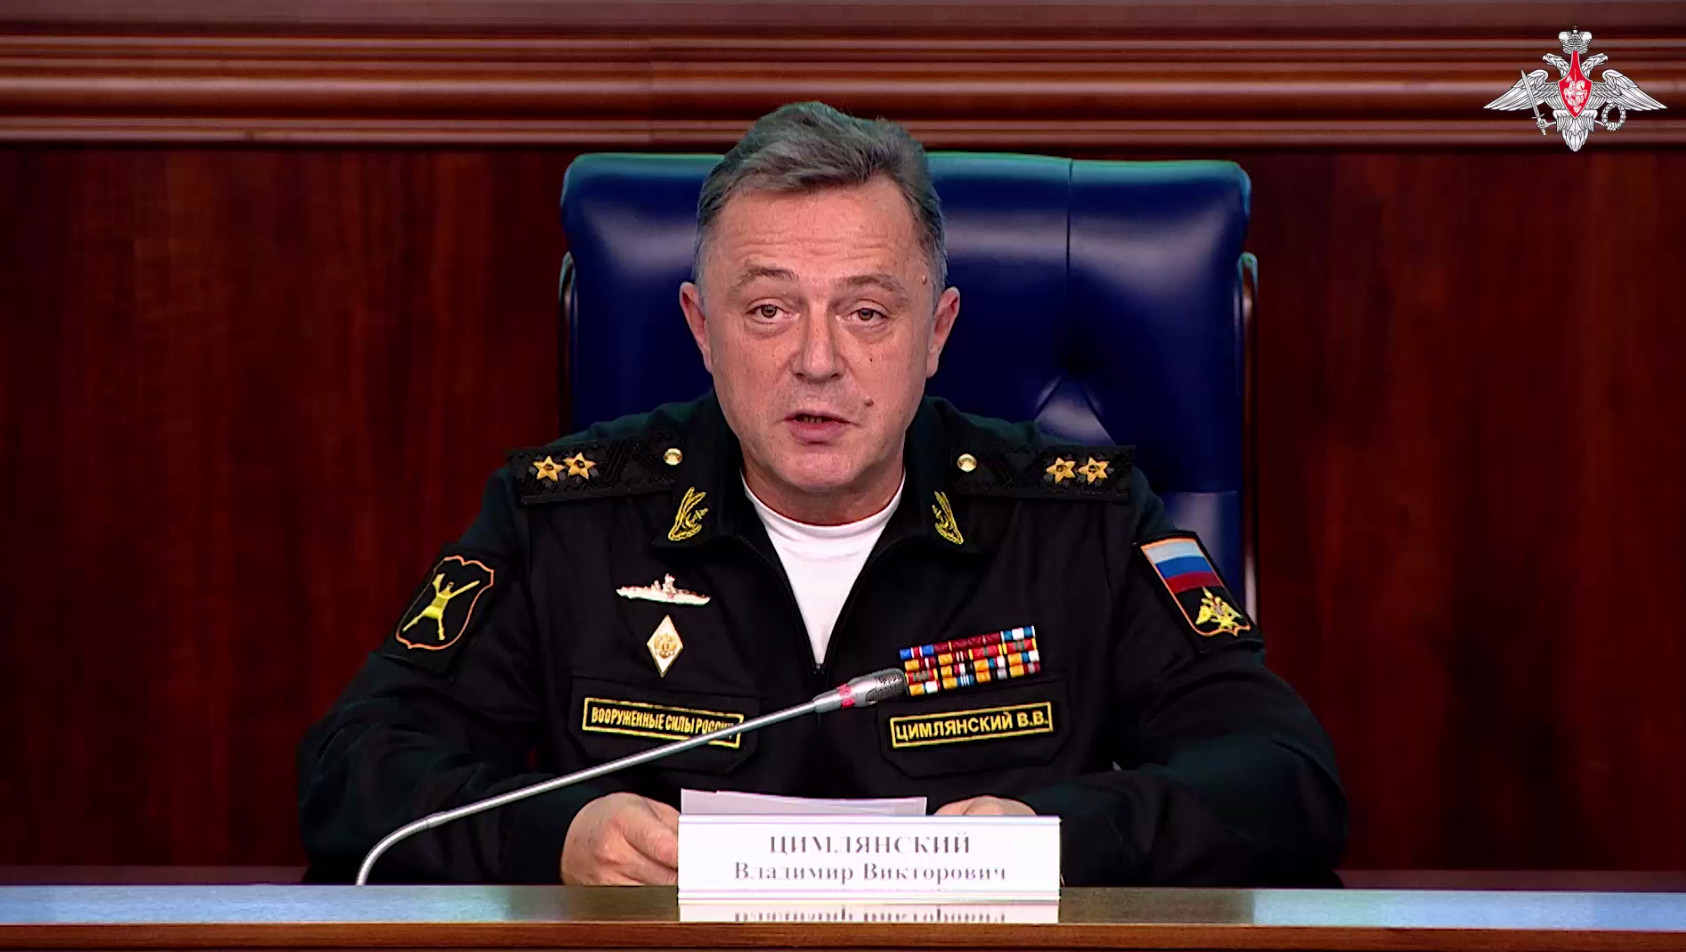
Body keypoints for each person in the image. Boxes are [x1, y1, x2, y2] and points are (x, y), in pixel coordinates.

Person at [297, 102, 1345, 886]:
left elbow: (1284, 775)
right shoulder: (562, 518)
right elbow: (353, 766)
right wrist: (552, 838)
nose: (816, 361)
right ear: (701, 329)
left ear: (936, 333)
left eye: (867, 313)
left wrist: (1057, 837)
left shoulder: (1083, 521)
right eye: (767, 310)